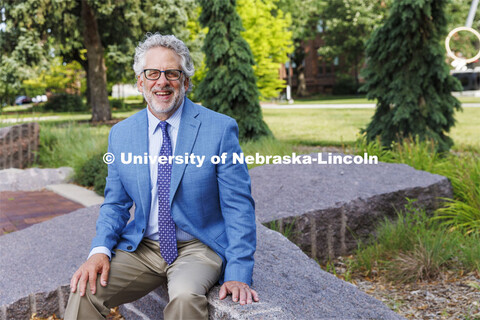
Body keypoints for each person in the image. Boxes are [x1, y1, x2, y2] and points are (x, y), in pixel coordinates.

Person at [64, 33, 258, 320]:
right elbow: (115, 204)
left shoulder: (219, 129)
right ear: (140, 82)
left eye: (172, 73)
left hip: (197, 246)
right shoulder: (122, 134)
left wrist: (239, 272)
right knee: (85, 292)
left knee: (184, 298)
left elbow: (238, 206)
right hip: (143, 247)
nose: (162, 81)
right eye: (152, 73)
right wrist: (100, 250)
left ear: (186, 82)